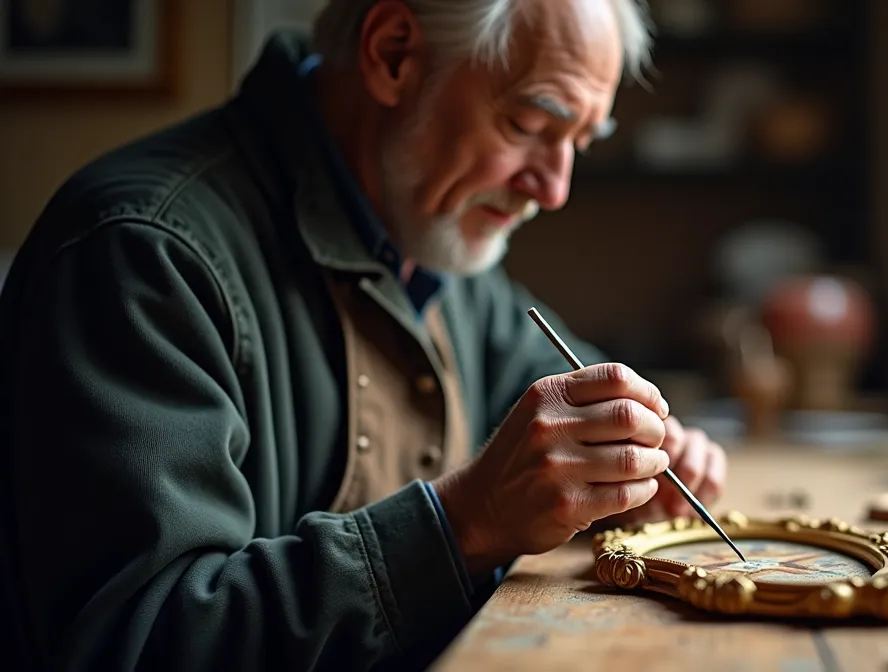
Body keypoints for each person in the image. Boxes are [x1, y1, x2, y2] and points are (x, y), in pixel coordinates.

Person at [0, 0, 729, 669]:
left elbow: (564, 387)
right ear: (393, 55)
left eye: (579, 140)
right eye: (531, 126)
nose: (554, 187)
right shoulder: (143, 254)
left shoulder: (432, 230)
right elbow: (134, 643)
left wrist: (632, 444)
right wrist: (465, 522)